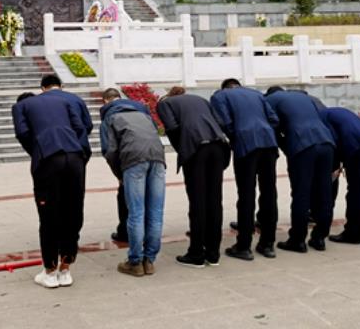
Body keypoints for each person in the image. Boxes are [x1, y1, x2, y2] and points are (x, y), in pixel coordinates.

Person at [12, 74, 90, 289]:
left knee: (49, 215)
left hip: (48, 160)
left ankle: (50, 271)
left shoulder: (22, 105)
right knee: (73, 212)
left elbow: (23, 133)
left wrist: (38, 150)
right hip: (75, 158)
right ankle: (66, 269)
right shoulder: (64, 99)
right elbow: (81, 127)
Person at [157, 86, 229, 268]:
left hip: (196, 150)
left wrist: (183, 149)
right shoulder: (201, 99)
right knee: (214, 201)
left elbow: (172, 127)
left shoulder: (164, 104)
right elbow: (220, 121)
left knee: (198, 202)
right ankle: (213, 254)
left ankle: (196, 253)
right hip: (218, 148)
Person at [210, 78, 279, 261]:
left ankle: (244, 246)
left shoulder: (220, 96)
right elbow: (273, 119)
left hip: (246, 145)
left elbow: (224, 122)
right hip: (269, 144)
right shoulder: (256, 93)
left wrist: (236, 137)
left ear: (224, 87)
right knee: (269, 193)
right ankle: (267, 244)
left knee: (246, 195)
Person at [100, 88, 166, 277]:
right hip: (158, 158)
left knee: (136, 213)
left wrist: (119, 174)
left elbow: (110, 151)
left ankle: (135, 261)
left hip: (133, 160)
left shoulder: (110, 117)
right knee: (155, 212)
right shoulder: (142, 113)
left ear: (106, 102)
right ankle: (149, 261)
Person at [264, 87, 335, 253]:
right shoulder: (304, 97)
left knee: (301, 193)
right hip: (326, 142)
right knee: (325, 192)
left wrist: (283, 144)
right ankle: (319, 238)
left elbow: (271, 124)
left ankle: (297, 240)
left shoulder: (269, 100)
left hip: (302, 145)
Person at [322, 107, 360, 244]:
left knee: (356, 191)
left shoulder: (321, 118)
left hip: (358, 147)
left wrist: (335, 166)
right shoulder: (337, 112)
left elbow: (333, 140)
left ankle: (352, 233)